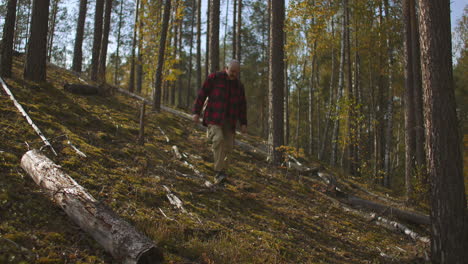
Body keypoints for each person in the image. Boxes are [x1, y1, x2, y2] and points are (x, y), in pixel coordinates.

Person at [192, 60, 247, 184]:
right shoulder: (214, 78)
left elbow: (242, 106)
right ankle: (218, 172)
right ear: (226, 68)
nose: (234, 74)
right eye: (232, 71)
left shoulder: (239, 86)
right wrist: (196, 112)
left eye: (236, 72)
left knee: (229, 148)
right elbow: (202, 94)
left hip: (230, 121)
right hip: (214, 117)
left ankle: (223, 173)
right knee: (218, 139)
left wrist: (243, 123)